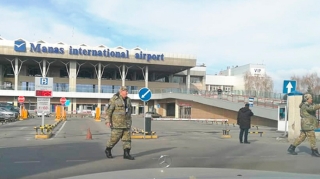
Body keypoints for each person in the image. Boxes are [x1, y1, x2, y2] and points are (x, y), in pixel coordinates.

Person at [104, 86, 134, 160]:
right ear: (121, 91)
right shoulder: (114, 99)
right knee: (114, 139)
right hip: (117, 124)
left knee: (127, 139)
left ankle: (126, 154)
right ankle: (108, 149)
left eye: (127, 91)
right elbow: (109, 111)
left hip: (126, 124)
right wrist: (108, 121)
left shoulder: (128, 100)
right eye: (125, 91)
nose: (127, 92)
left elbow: (130, 111)